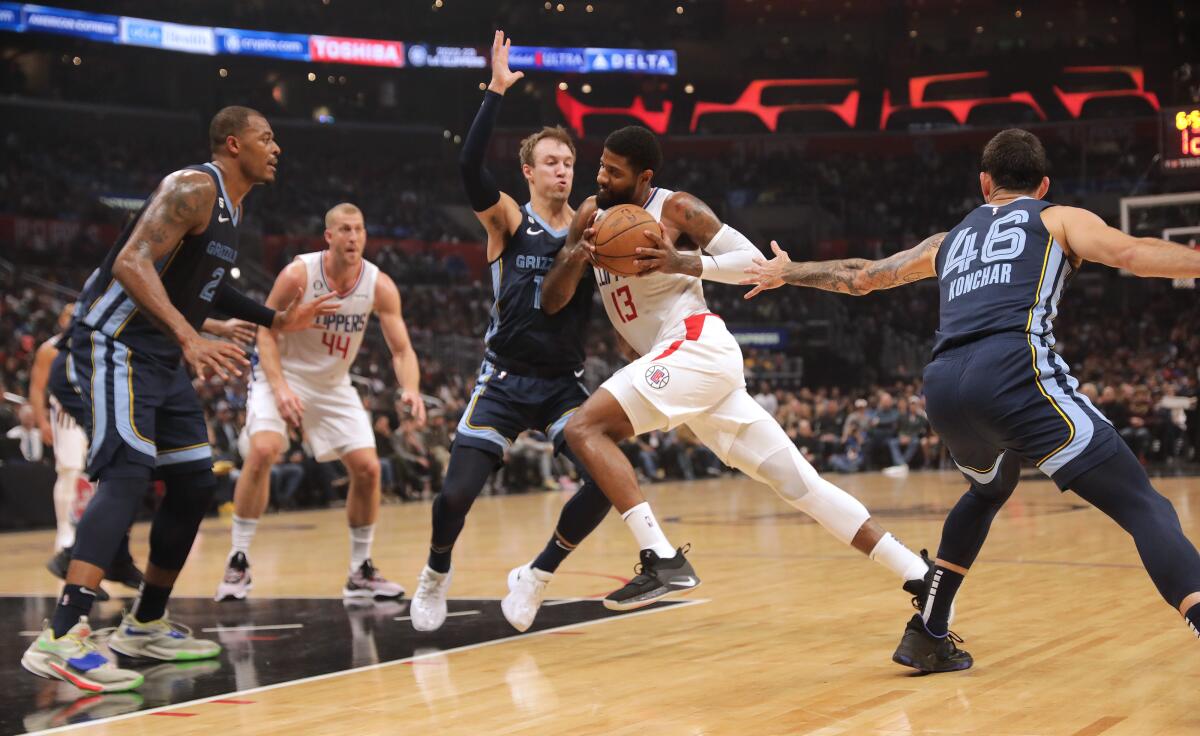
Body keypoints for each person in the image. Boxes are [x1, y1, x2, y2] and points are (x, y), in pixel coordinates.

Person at [741, 127, 1200, 672]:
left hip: (943, 387)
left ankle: (927, 632)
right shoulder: (1057, 218)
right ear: (1044, 183)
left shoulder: (948, 240)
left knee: (988, 490)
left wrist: (789, 271)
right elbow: (1132, 253)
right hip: (1011, 371)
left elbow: (863, 278)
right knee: (1143, 504)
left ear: (985, 183)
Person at [540, 125, 933, 611]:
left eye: (613, 172)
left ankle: (662, 559)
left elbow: (752, 262)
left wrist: (682, 262)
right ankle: (919, 573)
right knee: (801, 485)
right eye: (600, 165)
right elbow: (552, 300)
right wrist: (577, 255)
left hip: (695, 345)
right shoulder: (590, 216)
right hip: (684, 369)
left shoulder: (676, 208)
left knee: (585, 429)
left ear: (644, 177)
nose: (600, 176)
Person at [23, 105, 337, 693]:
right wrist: (192, 333)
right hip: (116, 345)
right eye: (267, 138)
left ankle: (144, 623)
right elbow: (130, 261)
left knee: (195, 481)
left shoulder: (233, 209)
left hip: (161, 358)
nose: (277, 148)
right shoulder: (193, 186)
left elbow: (211, 285)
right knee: (126, 475)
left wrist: (276, 318)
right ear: (233, 144)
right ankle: (62, 636)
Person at [408, 31, 611, 634]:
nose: (562, 170)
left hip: (561, 383)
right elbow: (467, 164)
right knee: (454, 497)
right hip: (503, 379)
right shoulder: (508, 219)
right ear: (528, 170)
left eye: (569, 162)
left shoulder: (597, 226)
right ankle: (434, 575)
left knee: (606, 479)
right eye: (551, 161)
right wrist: (495, 90)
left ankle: (538, 574)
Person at [216, 202, 423, 602]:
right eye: (344, 230)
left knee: (368, 469)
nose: (353, 237)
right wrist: (280, 390)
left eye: (359, 229)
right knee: (263, 450)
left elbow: (402, 351)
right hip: (283, 374)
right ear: (328, 237)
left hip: (332, 384)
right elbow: (265, 334)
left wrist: (410, 388)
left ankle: (360, 573)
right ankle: (238, 558)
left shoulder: (379, 284)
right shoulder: (299, 274)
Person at [30, 303, 251, 598]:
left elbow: (162, 305)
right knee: (124, 467)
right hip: (87, 370)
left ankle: (111, 556)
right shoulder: (129, 270)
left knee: (137, 468)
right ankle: (75, 561)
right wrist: (213, 328)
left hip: (120, 368)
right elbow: (155, 304)